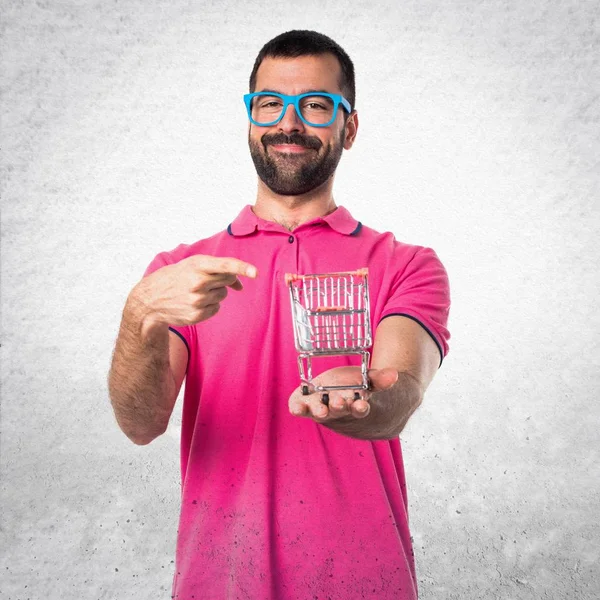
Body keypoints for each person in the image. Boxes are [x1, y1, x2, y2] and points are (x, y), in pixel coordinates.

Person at [108, 29, 451, 600]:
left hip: (365, 583)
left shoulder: (406, 264)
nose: (288, 123)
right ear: (250, 117)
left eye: (316, 105)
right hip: (219, 583)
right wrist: (138, 312)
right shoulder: (180, 272)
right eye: (270, 103)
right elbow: (140, 424)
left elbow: (399, 395)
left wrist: (359, 401)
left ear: (350, 126)